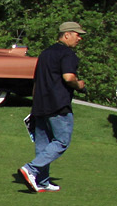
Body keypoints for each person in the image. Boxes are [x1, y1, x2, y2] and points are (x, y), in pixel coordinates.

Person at [19, 22, 82, 193]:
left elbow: (36, 80)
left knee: (43, 143)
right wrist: (80, 85)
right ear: (67, 35)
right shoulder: (68, 54)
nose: (80, 38)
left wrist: (34, 104)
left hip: (40, 104)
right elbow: (69, 77)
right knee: (61, 141)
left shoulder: (45, 53)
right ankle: (31, 169)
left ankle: (42, 181)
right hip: (58, 105)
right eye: (77, 34)